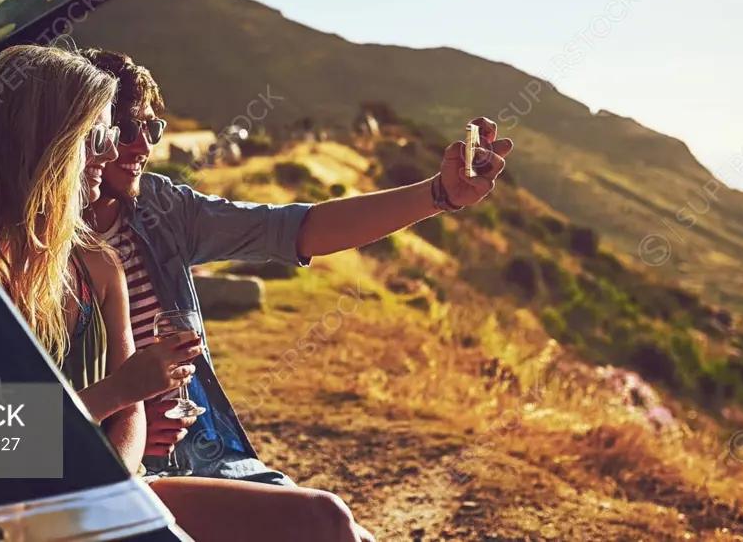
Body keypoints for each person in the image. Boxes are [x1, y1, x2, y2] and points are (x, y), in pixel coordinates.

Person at [0, 44, 374, 542]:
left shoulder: (98, 264)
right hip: (22, 508)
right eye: (97, 135)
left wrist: (121, 494)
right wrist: (120, 391)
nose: (112, 151)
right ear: (45, 141)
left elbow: (131, 417)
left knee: (329, 518)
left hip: (115, 485)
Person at [77, 49, 513, 489]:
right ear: (76, 132)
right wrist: (121, 421)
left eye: (152, 128)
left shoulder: (159, 207)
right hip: (100, 482)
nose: (143, 145)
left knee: (342, 529)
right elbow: (10, 439)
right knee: (326, 521)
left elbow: (296, 230)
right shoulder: (26, 259)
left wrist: (439, 194)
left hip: (203, 455)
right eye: (126, 127)